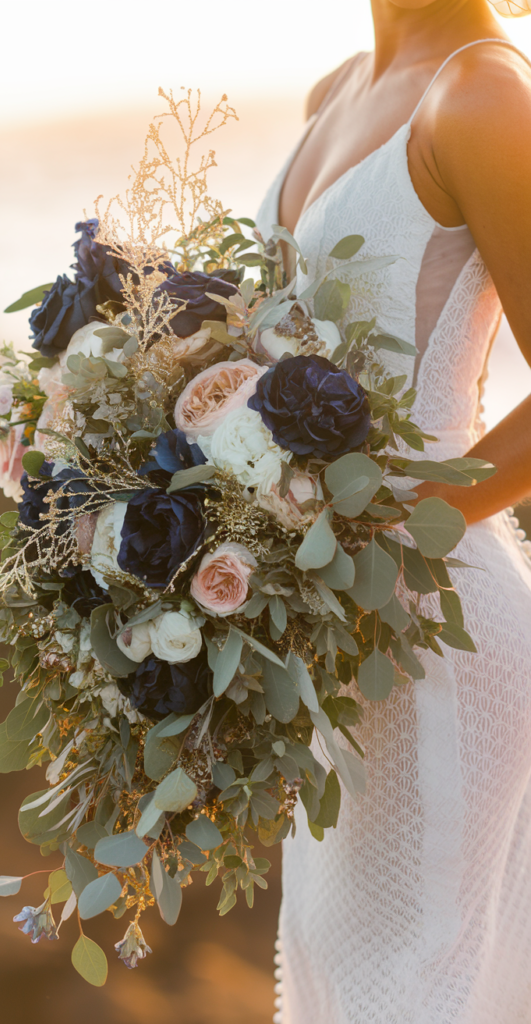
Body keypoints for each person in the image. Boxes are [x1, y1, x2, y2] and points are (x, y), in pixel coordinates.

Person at [255, 2, 531, 1021]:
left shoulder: (484, 92)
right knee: (333, 981)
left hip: (436, 630)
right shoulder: (332, 91)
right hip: (331, 641)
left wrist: (378, 533)